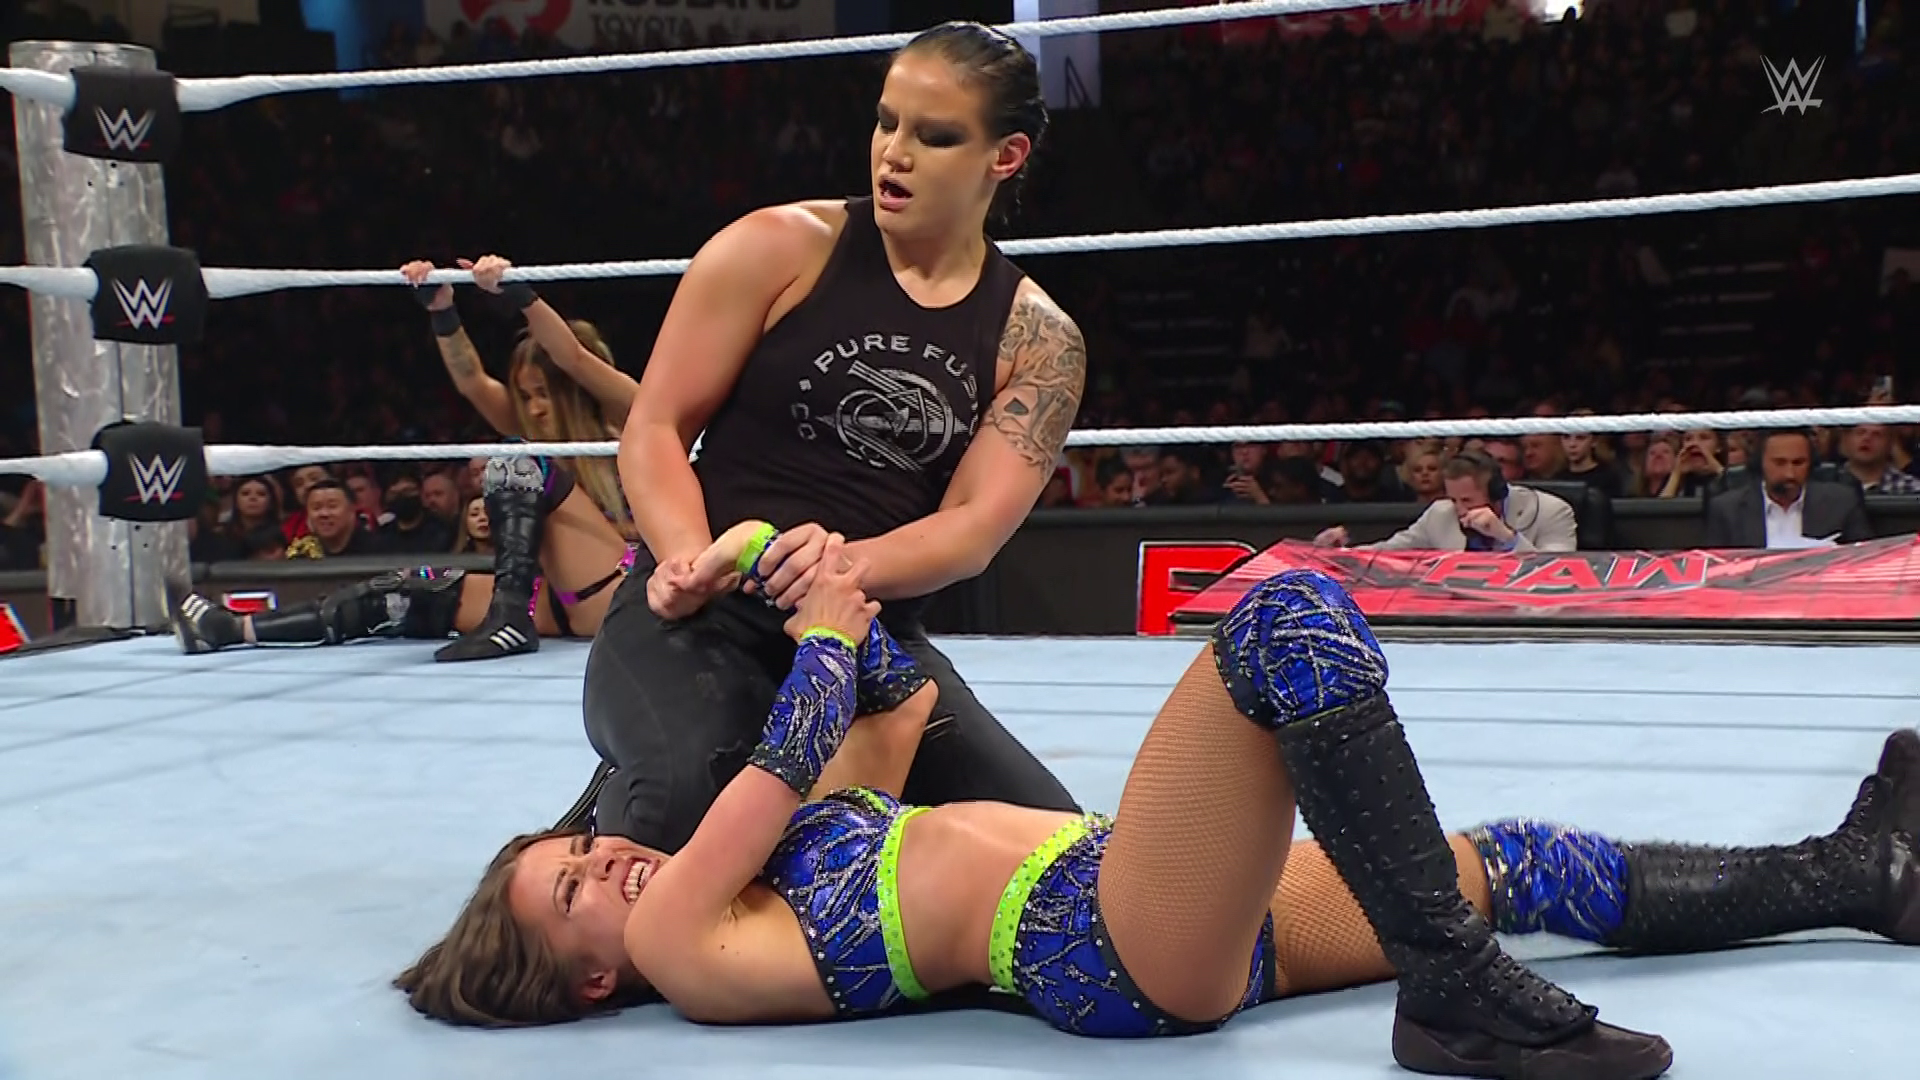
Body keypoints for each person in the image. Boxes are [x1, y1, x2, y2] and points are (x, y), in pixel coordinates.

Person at [398, 535, 1920, 1080]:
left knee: (1513, 863)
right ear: (586, 979)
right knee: (1285, 622)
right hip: (1103, 944)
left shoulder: (756, 889)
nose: (605, 856)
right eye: (572, 888)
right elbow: (785, 753)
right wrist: (819, 638)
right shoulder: (685, 946)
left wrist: (802, 579)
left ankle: (1858, 873)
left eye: (580, 846)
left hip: (1149, 898)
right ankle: (1456, 997)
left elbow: (883, 713)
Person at [573, 22, 1085, 852]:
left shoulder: (1038, 340)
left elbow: (972, 529)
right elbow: (655, 425)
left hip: (867, 641)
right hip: (702, 619)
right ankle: (626, 787)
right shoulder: (777, 248)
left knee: (1053, 852)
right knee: (682, 809)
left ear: (1006, 156)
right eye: (886, 122)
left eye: (934, 136)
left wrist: (837, 568)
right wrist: (691, 559)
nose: (894, 154)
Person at [166, 255, 638, 660]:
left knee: (519, 460)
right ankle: (232, 630)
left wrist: (520, 295)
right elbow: (472, 380)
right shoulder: (535, 436)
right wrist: (442, 312)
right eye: (527, 395)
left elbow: (575, 360)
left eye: (544, 394)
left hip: (623, 588)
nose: (533, 408)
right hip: (556, 597)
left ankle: (508, 621)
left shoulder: (630, 423)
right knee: (408, 589)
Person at [1314, 449, 1578, 552]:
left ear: (1497, 492)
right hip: (1458, 617)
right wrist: (1342, 554)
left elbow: (1561, 575)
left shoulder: (1552, 511)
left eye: (1468, 500)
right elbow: (1390, 551)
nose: (1460, 510)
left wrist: (1507, 537)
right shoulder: (1441, 513)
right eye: (1454, 499)